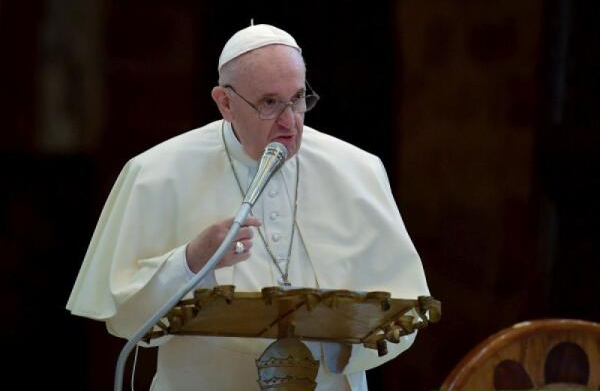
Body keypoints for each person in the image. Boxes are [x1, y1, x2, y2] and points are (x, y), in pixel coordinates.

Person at [67, 23, 430, 390]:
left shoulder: (357, 170)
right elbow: (125, 316)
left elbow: (404, 310)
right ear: (225, 103)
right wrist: (191, 261)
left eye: (298, 98)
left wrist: (333, 344)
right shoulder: (155, 173)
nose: (290, 122)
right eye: (269, 103)